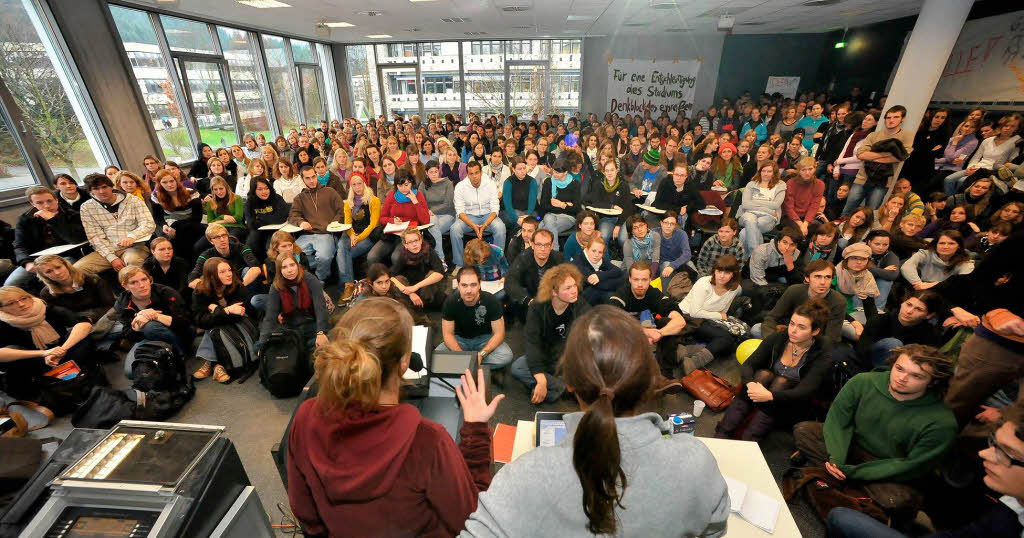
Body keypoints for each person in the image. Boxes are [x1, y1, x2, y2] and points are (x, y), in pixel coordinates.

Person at [462, 305, 730, 537]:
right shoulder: (697, 463)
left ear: (570, 385)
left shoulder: (523, 478)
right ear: (651, 380)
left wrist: (475, 437)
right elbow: (714, 529)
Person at [287, 298, 501, 537]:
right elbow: (472, 520)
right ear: (404, 362)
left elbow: (306, 513)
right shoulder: (427, 441)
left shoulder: (305, 417)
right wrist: (476, 432)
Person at [792, 345, 957, 521]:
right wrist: (837, 459)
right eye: (899, 368)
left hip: (889, 467)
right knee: (804, 430)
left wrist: (854, 472)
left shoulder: (942, 422)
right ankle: (842, 482)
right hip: (851, 448)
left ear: (932, 381)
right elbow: (838, 420)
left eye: (916, 376)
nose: (902, 378)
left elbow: (911, 466)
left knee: (897, 500)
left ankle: (830, 477)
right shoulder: (863, 381)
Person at [826, 403, 1024, 538]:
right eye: (994, 443)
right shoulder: (1011, 503)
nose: (986, 454)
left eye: (1007, 452)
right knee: (843, 517)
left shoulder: (939, 423)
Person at [715, 299, 832, 441]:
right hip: (761, 395)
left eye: (802, 327)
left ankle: (750, 438)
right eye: (792, 324)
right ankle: (724, 431)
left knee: (781, 382)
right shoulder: (780, 337)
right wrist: (751, 384)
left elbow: (805, 391)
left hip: (790, 403)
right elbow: (748, 364)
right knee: (762, 374)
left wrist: (771, 396)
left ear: (815, 331)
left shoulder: (823, 350)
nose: (793, 330)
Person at [511, 263, 590, 404]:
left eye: (574, 285)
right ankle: (564, 389)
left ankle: (550, 389)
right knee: (518, 367)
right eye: (568, 288)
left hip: (567, 358)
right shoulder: (537, 308)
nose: (574, 291)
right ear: (554, 292)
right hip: (544, 355)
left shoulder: (580, 305)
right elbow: (532, 343)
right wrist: (541, 379)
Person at [0, 286, 94, 400]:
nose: (21, 304)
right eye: (11, 303)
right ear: (2, 309)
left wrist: (61, 350)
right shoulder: (3, 324)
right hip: (34, 362)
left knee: (80, 335)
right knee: (13, 351)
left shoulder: (46, 309)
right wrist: (44, 353)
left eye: (24, 298)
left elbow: (84, 324)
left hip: (63, 354)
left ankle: (74, 376)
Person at [609, 261, 687, 391]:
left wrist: (659, 333)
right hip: (627, 332)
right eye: (636, 279)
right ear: (629, 279)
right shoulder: (622, 293)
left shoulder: (653, 293)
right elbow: (611, 319)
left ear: (650, 279)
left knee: (667, 323)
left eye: (644, 280)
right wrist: (644, 332)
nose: (640, 284)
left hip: (650, 329)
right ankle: (632, 378)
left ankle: (664, 375)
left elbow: (680, 321)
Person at [435, 265, 514, 373]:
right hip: (460, 340)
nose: (469, 290)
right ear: (458, 285)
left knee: (506, 356)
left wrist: (482, 354)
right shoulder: (450, 302)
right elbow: (448, 334)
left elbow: (499, 334)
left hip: (484, 340)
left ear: (479, 284)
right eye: (464, 285)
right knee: (437, 357)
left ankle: (466, 365)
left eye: (473, 285)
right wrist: (460, 354)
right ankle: (474, 365)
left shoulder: (491, 301)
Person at [7, 186, 87, 288]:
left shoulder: (71, 214)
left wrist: (53, 220)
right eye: (39, 203)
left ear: (56, 200)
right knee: (11, 285)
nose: (46, 206)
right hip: (38, 260)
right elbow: (19, 245)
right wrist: (27, 262)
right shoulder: (25, 219)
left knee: (63, 279)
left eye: (50, 201)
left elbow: (76, 239)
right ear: (32, 204)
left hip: (65, 257)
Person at [76, 173, 156, 275]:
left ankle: (141, 289)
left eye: (104, 187)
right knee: (77, 269)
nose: (101, 191)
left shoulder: (133, 200)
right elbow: (94, 237)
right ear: (90, 191)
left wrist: (132, 236)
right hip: (106, 251)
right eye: (96, 188)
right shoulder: (86, 207)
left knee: (133, 262)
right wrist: (112, 258)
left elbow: (148, 223)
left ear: (111, 186)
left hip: (134, 246)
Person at [845, 105, 916, 214]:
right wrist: (888, 154)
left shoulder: (906, 135)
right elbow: (861, 155)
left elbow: (901, 156)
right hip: (862, 177)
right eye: (888, 117)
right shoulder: (874, 135)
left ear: (903, 119)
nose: (891, 120)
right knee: (848, 211)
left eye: (896, 117)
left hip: (883, 182)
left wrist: (873, 156)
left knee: (871, 213)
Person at [191, 257, 251, 383]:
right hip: (216, 325)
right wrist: (226, 310)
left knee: (214, 328)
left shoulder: (238, 286)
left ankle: (211, 362)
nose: (229, 274)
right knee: (214, 329)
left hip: (241, 323)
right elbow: (200, 322)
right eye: (222, 272)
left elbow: (237, 315)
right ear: (212, 276)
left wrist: (215, 309)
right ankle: (218, 365)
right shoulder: (200, 291)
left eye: (229, 270)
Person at [679, 254, 744, 372]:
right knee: (725, 340)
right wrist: (719, 316)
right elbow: (695, 312)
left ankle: (685, 351)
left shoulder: (734, 289)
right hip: (687, 317)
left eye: (727, 273)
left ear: (733, 274)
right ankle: (693, 362)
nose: (722, 276)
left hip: (707, 320)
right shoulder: (704, 283)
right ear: (714, 271)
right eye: (719, 271)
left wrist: (720, 318)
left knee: (731, 344)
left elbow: (723, 310)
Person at [758, 259, 847, 344]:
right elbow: (772, 318)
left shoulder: (838, 301)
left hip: (815, 340)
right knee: (757, 329)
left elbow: (831, 338)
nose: (823, 282)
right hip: (790, 332)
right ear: (807, 278)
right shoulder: (794, 290)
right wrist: (772, 343)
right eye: (817, 276)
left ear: (832, 279)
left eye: (827, 277)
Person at [259, 253, 330, 351]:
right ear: (279, 270)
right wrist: (263, 343)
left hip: (312, 324)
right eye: (284, 267)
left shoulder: (309, 278)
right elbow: (270, 318)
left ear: (297, 265)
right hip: (290, 328)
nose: (289, 270)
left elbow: (320, 308)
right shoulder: (276, 286)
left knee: (324, 345)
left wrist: (321, 332)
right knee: (260, 348)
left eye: (292, 265)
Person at [114, 265, 191, 353]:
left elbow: (185, 323)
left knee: (150, 326)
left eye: (144, 279)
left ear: (150, 280)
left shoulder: (165, 292)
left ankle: (179, 353)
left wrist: (155, 316)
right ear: (125, 286)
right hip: (147, 338)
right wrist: (139, 321)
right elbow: (129, 335)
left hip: (178, 334)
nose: (142, 285)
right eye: (133, 282)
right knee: (131, 366)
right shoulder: (122, 302)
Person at [288, 165, 346, 282]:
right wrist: (301, 223)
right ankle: (302, 279)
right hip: (307, 235)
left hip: (326, 234)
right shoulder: (299, 198)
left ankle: (319, 280)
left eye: (313, 177)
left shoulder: (330, 191)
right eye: (308, 178)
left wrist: (334, 223)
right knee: (290, 255)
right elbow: (292, 216)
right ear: (302, 179)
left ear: (317, 176)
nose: (311, 180)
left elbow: (341, 210)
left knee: (324, 257)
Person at [35, 254, 115, 333]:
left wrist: (90, 318)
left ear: (66, 265)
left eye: (58, 267)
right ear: (44, 275)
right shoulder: (47, 294)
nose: (57, 273)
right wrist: (82, 323)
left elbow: (111, 305)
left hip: (104, 316)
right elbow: (65, 317)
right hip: (77, 324)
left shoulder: (92, 280)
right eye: (49, 271)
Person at [451, 160, 506, 269]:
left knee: (501, 228)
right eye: (471, 174)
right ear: (467, 174)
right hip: (469, 217)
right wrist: (472, 225)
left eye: (477, 173)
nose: (474, 176)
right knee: (454, 229)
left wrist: (485, 225)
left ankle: (497, 262)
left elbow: (495, 208)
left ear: (481, 172)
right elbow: (460, 211)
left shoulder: (490, 184)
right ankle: (459, 264)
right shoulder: (460, 187)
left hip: (488, 215)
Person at [369, 173, 430, 267]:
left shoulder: (418, 195)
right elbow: (382, 218)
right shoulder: (392, 195)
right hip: (392, 234)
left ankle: (399, 280)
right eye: (400, 185)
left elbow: (426, 221)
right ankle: (380, 279)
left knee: (396, 257)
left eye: (406, 184)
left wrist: (416, 202)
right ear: (396, 185)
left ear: (412, 183)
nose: (403, 188)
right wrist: (392, 220)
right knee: (372, 256)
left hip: (408, 236)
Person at [151, 169, 204, 260]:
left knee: (184, 235)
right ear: (160, 184)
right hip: (171, 223)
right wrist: (164, 225)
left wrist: (175, 225)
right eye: (165, 182)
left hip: (192, 221)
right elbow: (157, 217)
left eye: (172, 181)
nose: (169, 184)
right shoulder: (156, 196)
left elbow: (197, 217)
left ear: (176, 181)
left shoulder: (190, 192)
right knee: (174, 239)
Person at [187, 224, 261, 289]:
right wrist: (213, 290)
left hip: (241, 282)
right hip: (220, 285)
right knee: (204, 278)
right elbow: (192, 279)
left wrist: (240, 288)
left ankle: (249, 300)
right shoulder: (206, 255)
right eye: (217, 237)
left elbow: (256, 268)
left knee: (247, 270)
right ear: (211, 241)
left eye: (224, 235)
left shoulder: (241, 248)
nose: (222, 239)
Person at [738, 161, 787, 256]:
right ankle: (756, 255)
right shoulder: (751, 184)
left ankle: (743, 258)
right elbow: (746, 204)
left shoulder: (780, 185)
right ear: (760, 171)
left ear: (774, 173)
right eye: (763, 171)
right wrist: (768, 208)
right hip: (749, 213)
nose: (765, 174)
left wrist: (755, 202)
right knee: (749, 219)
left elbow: (776, 205)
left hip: (768, 217)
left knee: (745, 232)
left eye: (769, 171)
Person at [390, 228, 446, 310]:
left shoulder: (429, 251)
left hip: (427, 290)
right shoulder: (403, 256)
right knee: (398, 280)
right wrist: (410, 292)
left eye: (416, 240)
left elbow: (440, 274)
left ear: (421, 241)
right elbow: (390, 275)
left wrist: (416, 287)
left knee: (432, 274)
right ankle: (413, 308)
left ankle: (422, 306)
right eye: (410, 242)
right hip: (410, 289)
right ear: (405, 245)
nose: (414, 244)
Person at [900, 230, 974, 289]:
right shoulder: (925, 254)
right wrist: (919, 283)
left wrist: (934, 285)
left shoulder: (965, 262)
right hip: (922, 287)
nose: (945, 247)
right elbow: (907, 267)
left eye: (951, 243)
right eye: (941, 243)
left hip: (946, 291)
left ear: (958, 246)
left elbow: (964, 282)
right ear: (936, 244)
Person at [244, 177, 289, 261]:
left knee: (271, 244)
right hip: (259, 231)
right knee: (252, 242)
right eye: (260, 189)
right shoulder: (250, 202)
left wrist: (260, 218)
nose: (264, 192)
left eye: (266, 188)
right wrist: (271, 217)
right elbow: (250, 223)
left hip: (277, 230)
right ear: (254, 190)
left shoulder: (277, 198)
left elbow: (281, 218)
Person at [421, 160, 456, 265]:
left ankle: (435, 259)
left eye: (436, 171)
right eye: (431, 172)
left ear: (439, 171)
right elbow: (421, 202)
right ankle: (440, 259)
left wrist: (430, 211)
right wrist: (427, 211)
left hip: (448, 215)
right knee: (433, 226)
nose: (434, 174)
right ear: (426, 173)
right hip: (431, 216)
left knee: (432, 230)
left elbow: (448, 204)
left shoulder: (447, 183)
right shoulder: (423, 184)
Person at [572, 235, 623, 306]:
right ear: (587, 249)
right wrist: (612, 279)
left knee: (610, 295)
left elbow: (617, 271)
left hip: (597, 293)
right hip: (580, 300)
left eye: (600, 252)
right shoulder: (578, 262)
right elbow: (596, 284)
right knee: (602, 291)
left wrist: (599, 275)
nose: (596, 255)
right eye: (594, 251)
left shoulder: (600, 261)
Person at [782, 157, 826, 237]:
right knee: (798, 232)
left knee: (819, 229)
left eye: (810, 169)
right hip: (790, 217)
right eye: (803, 170)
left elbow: (814, 206)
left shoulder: (820, 184)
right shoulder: (791, 182)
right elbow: (788, 207)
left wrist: (805, 224)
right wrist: (801, 225)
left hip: (807, 218)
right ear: (799, 171)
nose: (807, 172)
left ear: (815, 169)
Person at [203, 176, 247, 245]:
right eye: (215, 189)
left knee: (229, 242)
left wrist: (217, 221)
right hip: (217, 228)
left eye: (221, 188)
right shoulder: (210, 202)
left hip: (235, 227)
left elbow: (238, 218)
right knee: (199, 246)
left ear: (226, 187)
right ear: (212, 190)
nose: (219, 192)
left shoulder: (237, 198)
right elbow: (210, 222)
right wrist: (222, 217)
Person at [499, 156, 537, 233]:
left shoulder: (532, 181)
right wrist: (517, 219)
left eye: (524, 168)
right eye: (519, 169)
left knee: (536, 218)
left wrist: (528, 215)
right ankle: (518, 239)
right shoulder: (508, 182)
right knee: (524, 222)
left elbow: (532, 202)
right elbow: (508, 205)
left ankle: (520, 238)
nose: (523, 171)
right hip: (510, 212)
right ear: (513, 169)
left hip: (528, 212)